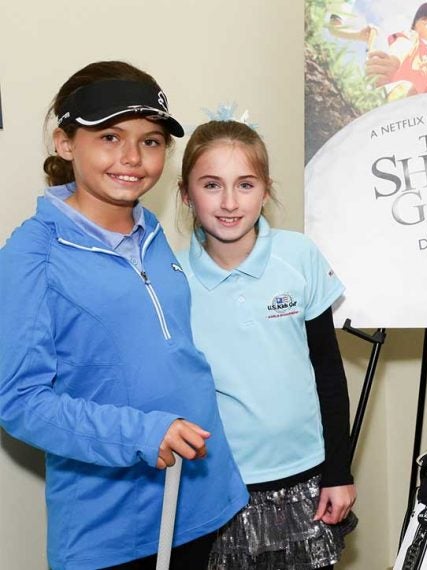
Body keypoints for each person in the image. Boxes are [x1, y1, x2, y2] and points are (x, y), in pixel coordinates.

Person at [0, 61, 248, 570]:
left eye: (151, 141)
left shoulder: (152, 230)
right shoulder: (31, 255)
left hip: (203, 500)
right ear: (65, 143)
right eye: (110, 137)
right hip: (113, 531)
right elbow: (20, 403)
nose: (133, 159)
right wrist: (140, 434)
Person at [176, 120, 358, 570]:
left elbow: (329, 375)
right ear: (185, 194)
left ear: (265, 190)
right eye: (212, 185)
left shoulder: (298, 257)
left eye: (245, 184)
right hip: (222, 489)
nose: (230, 202)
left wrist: (339, 472)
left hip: (309, 482)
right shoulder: (173, 280)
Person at [364, 2, 427, 101]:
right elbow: (401, 46)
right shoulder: (411, 37)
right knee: (405, 88)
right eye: (423, 17)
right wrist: (392, 61)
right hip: (386, 95)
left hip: (414, 109)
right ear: (414, 26)